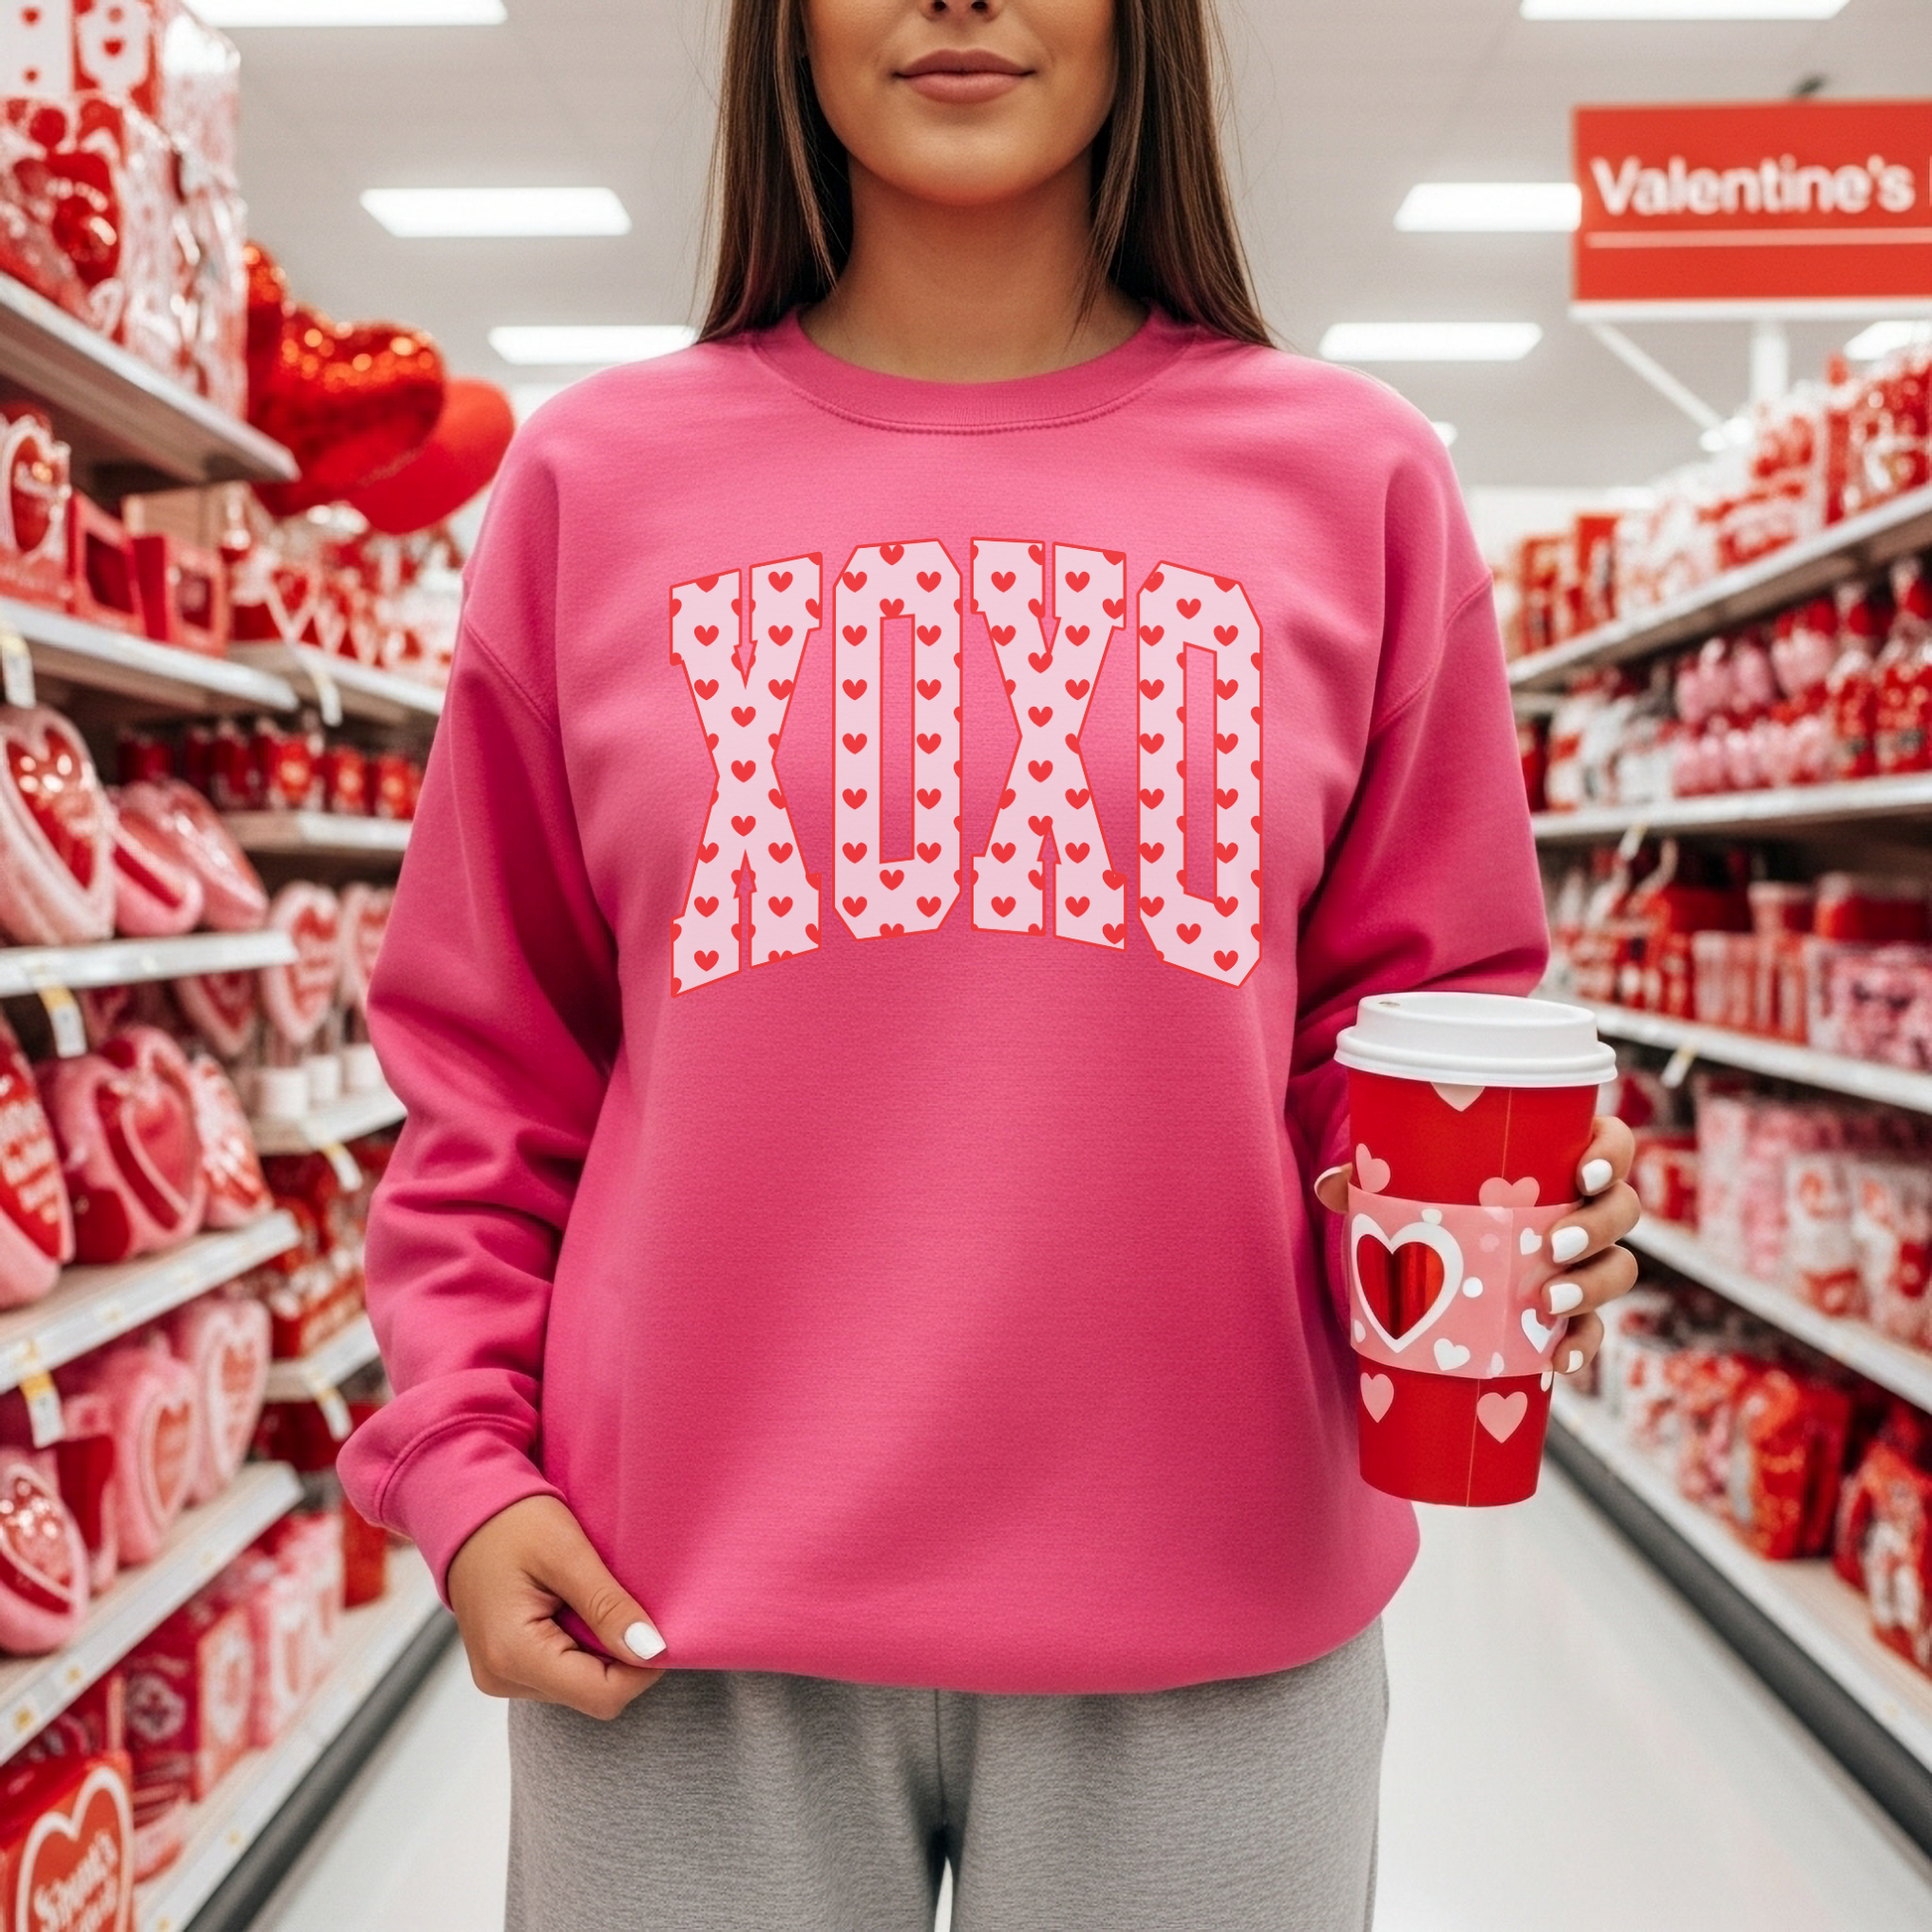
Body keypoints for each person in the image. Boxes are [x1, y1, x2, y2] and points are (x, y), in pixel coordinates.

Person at [340, 2, 1641, 1926]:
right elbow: (496, 1062)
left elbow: (1418, 1031)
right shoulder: (592, 483)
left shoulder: (1353, 478)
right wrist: (462, 1463)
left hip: (1215, 1615)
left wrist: (1504, 1223)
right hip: (667, 1611)